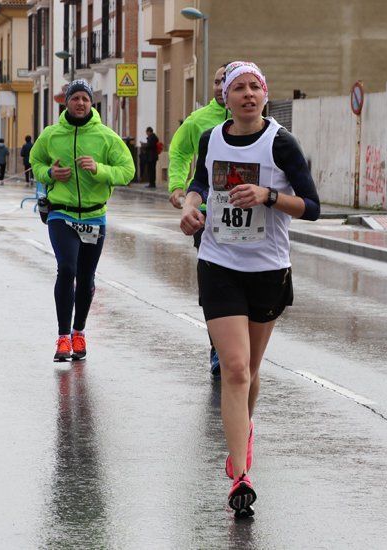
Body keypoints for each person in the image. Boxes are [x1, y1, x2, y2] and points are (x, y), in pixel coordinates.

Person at [179, 62, 321, 518]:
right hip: (219, 263)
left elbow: (313, 207)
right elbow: (201, 182)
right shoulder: (211, 138)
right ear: (225, 96)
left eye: (253, 87)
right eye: (236, 87)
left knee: (252, 370)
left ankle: (244, 433)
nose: (245, 94)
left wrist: (268, 197)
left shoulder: (281, 143)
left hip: (268, 270)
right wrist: (190, 204)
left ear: (265, 93)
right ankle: (240, 474)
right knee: (236, 370)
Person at [29, 79, 134, 362]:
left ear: (91, 103)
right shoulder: (51, 135)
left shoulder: (106, 137)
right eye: (75, 98)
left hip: (94, 216)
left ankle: (79, 331)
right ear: (67, 102)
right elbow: (35, 162)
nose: (80, 103)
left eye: (85, 99)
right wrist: (49, 174)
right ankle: (63, 337)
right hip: (60, 213)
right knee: (66, 268)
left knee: (86, 277)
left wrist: (99, 169)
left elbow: (127, 171)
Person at [168, 63, 230, 378]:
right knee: (215, 284)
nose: (221, 86)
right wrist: (178, 187)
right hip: (208, 213)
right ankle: (219, 348)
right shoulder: (199, 122)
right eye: (217, 80)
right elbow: (178, 152)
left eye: (226, 80)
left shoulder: (259, 121)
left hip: (250, 219)